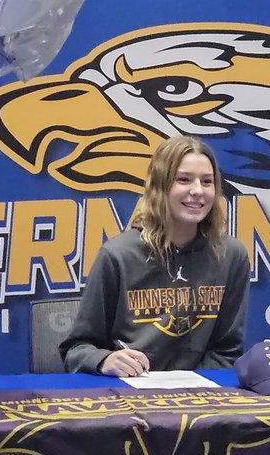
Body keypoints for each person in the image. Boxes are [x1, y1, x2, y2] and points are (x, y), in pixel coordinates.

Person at [61, 136, 250, 376]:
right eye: (183, 179)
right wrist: (105, 360)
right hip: (130, 394)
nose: (197, 191)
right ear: (160, 186)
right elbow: (76, 349)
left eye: (207, 181)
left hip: (202, 397)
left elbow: (227, 352)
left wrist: (187, 390)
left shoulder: (231, 256)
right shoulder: (117, 256)